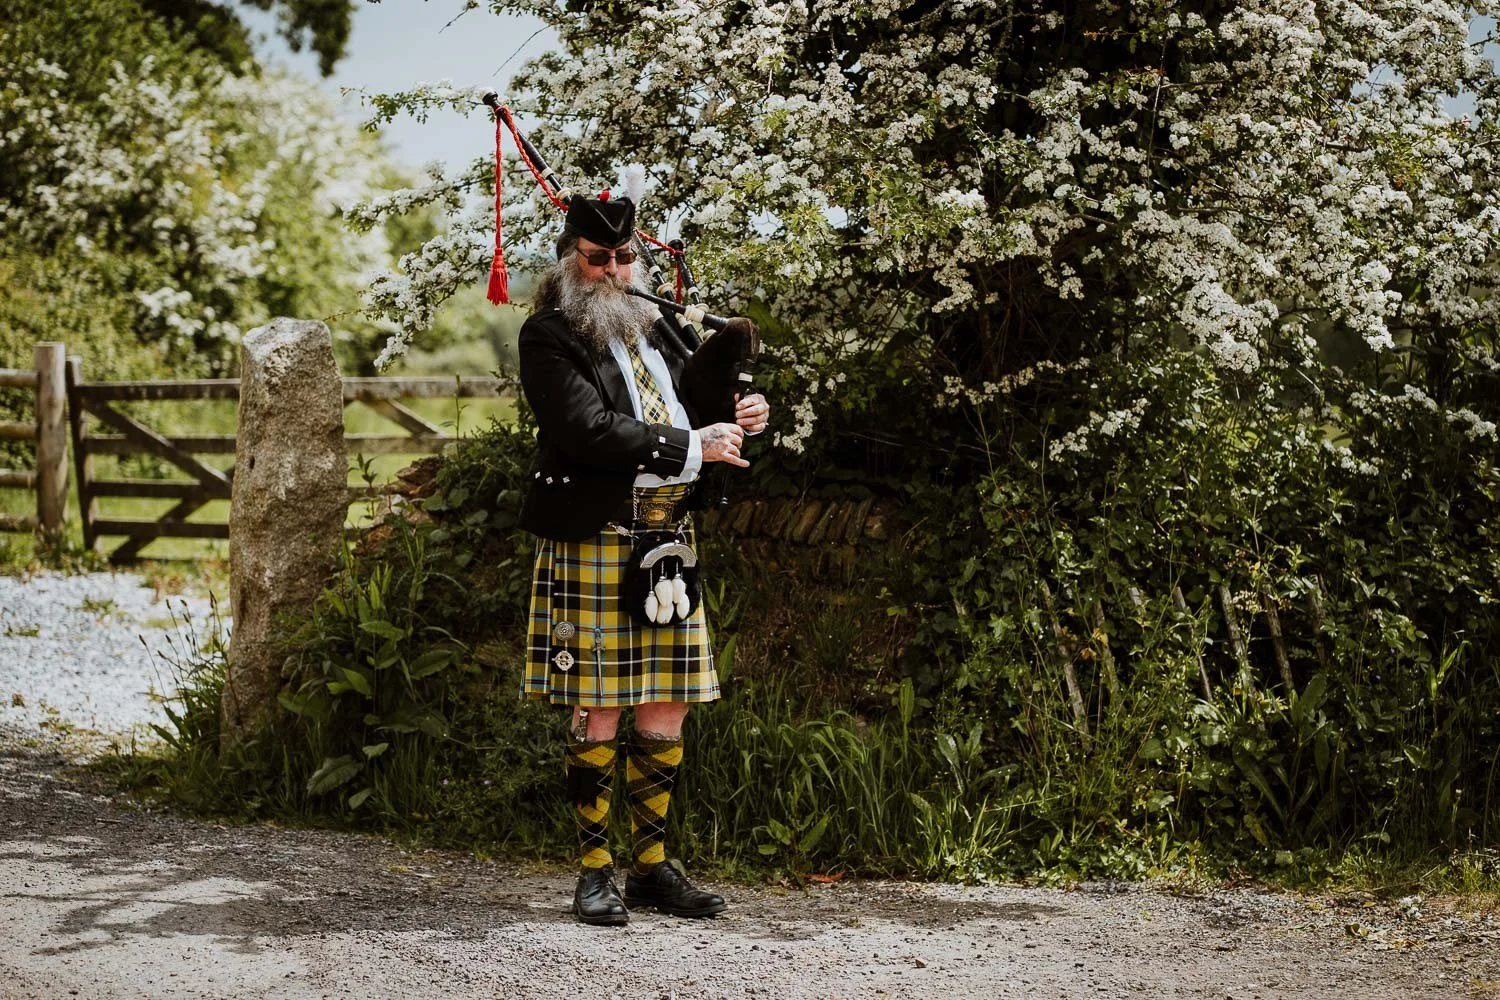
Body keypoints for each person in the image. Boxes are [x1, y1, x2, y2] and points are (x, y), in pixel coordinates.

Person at [516, 191, 770, 926]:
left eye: (625, 258)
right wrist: (696, 444)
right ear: (570, 262)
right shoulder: (549, 337)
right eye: (597, 259)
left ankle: (652, 867)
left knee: (667, 702)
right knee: (598, 705)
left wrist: (742, 415)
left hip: (668, 537)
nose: (613, 270)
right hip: (595, 535)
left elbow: (701, 406)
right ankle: (596, 873)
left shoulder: (663, 331)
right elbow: (587, 430)